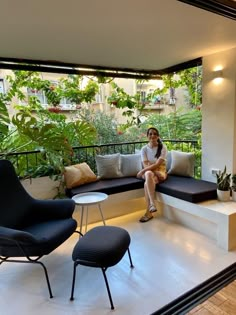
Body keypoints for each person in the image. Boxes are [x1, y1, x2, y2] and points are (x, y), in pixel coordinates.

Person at [137, 127, 168, 222]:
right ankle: (152, 205)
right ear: (147, 136)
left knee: (147, 181)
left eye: (155, 134)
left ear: (158, 136)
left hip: (160, 170)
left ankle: (149, 211)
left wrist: (142, 171)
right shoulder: (144, 149)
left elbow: (158, 164)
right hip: (152, 172)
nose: (152, 135)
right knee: (149, 173)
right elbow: (145, 164)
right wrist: (153, 171)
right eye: (150, 134)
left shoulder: (163, 147)